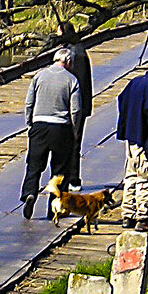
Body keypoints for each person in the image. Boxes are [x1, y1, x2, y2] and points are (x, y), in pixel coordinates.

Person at [20, 46, 82, 219]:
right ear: (68, 62)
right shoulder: (72, 80)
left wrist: (30, 123)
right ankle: (55, 206)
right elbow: (75, 110)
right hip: (61, 128)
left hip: (39, 125)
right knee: (60, 170)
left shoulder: (39, 76)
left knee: (34, 165)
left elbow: (29, 103)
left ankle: (30, 193)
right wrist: (75, 131)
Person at [115, 49, 148, 231]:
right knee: (147, 175)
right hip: (145, 138)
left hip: (131, 138)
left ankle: (128, 214)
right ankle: (143, 216)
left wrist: (127, 122)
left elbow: (121, 99)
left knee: (131, 175)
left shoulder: (135, 82)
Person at [57, 21, 93, 190]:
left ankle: (73, 178)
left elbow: (77, 83)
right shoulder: (76, 49)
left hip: (76, 106)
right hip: (76, 105)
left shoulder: (77, 55)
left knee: (73, 141)